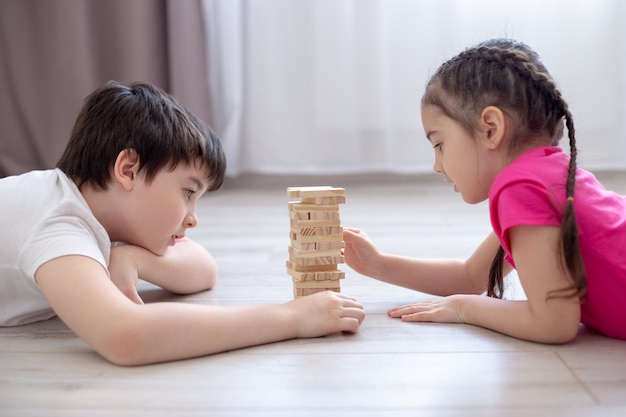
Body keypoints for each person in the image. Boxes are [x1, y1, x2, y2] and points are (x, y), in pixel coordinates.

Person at [0, 81, 365, 366]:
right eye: (188, 192)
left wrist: (131, 258)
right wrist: (292, 318)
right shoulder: (58, 222)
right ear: (128, 170)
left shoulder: (94, 206)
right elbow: (124, 336)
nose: (193, 218)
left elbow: (203, 269)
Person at [343, 38, 626, 343]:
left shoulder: (521, 187)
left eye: (439, 144)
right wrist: (380, 265)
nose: (437, 165)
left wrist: (465, 308)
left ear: (491, 128)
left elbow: (554, 322)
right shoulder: (542, 180)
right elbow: (470, 276)